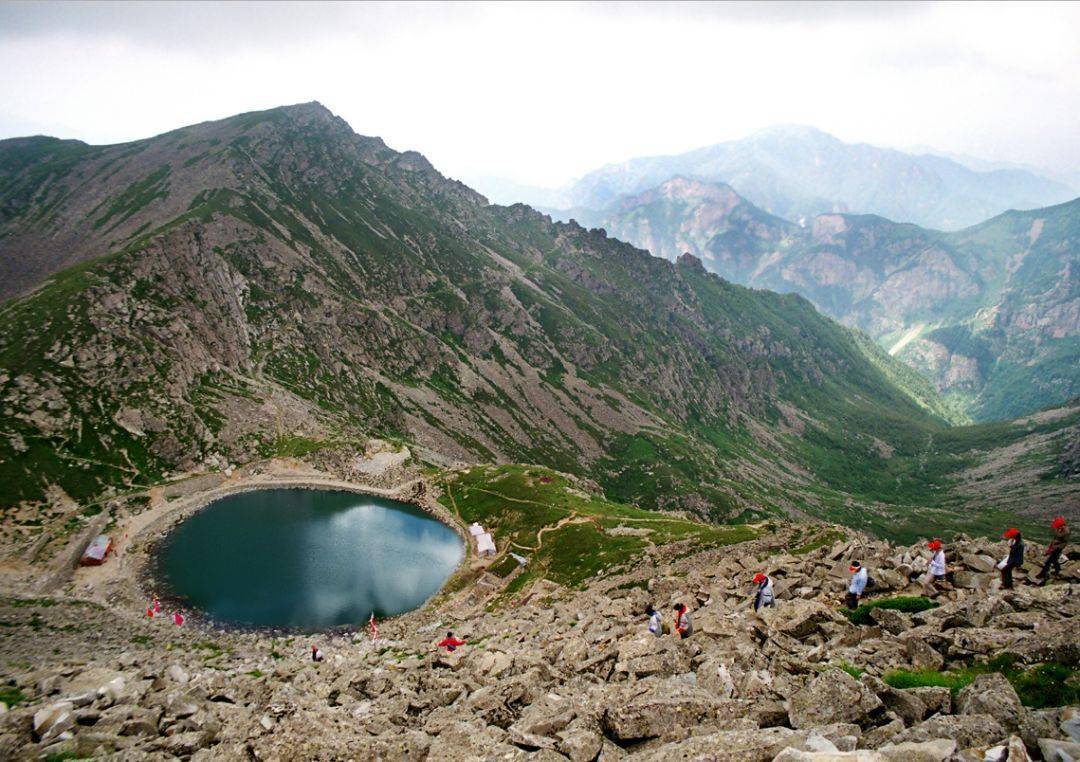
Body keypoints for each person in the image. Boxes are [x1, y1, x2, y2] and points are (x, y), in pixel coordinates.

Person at [1036, 517, 1070, 585]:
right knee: (1054, 560)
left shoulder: (1065, 531)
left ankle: (1043, 573)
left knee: (1049, 561)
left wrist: (1057, 530)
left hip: (1058, 548)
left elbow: (1060, 537)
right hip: (1055, 547)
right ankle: (1058, 572)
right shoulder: (1061, 529)